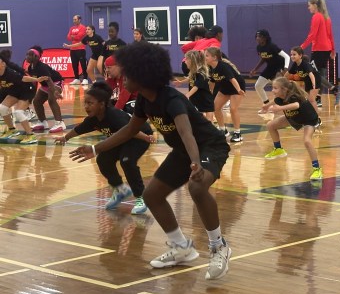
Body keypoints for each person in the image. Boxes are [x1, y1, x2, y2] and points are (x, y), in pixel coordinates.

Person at [68, 40, 232, 280]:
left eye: (129, 73)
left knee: (196, 187)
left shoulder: (172, 99)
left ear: (144, 75)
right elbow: (127, 131)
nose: (123, 77)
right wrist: (95, 148)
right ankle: (181, 247)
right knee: (151, 195)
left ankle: (219, 246)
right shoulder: (145, 101)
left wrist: (195, 162)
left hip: (209, 146)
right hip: (184, 151)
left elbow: (187, 133)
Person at [55, 82, 153, 215]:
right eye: (85, 103)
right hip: (122, 139)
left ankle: (141, 197)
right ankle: (120, 190)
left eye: (90, 103)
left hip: (139, 137)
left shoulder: (114, 115)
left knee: (127, 161)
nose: (86, 106)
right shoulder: (93, 119)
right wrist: (65, 138)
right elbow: (78, 130)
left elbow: (131, 130)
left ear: (102, 104)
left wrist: (147, 138)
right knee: (103, 160)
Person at [261, 77, 323, 181]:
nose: (272, 90)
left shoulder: (294, 96)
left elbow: (296, 105)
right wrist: (266, 106)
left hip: (309, 120)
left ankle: (317, 169)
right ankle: (279, 149)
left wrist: (280, 108)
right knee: (270, 125)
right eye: (272, 88)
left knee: (307, 141)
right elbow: (274, 101)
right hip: (294, 117)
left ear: (284, 89)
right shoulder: (280, 98)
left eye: (275, 88)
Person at [301, 0, 339, 106]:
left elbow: (312, 34)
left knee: (314, 73)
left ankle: (333, 88)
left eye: (309, 5)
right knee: (320, 73)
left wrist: (302, 47)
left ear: (315, 5)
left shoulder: (317, 17)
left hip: (319, 50)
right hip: (326, 49)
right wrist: (332, 49)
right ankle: (318, 99)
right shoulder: (326, 17)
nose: (308, 8)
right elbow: (330, 35)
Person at [204, 47, 245, 143]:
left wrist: (239, 90)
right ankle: (223, 130)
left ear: (214, 57)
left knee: (233, 108)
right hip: (224, 87)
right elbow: (212, 82)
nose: (204, 57)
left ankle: (237, 133)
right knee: (215, 107)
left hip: (236, 86)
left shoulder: (223, 66)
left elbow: (233, 79)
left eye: (207, 56)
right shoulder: (210, 68)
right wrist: (208, 92)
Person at [25, 45, 67, 134]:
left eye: (30, 55)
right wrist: (30, 96)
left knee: (51, 100)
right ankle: (43, 122)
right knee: (36, 101)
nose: (27, 57)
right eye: (27, 54)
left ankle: (60, 123)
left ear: (36, 57)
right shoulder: (30, 68)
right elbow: (35, 82)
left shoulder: (42, 67)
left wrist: (55, 91)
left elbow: (49, 80)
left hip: (55, 82)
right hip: (45, 85)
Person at [0, 51, 37, 144]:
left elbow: (24, 78)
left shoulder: (11, 73)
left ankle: (31, 135)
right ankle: (12, 129)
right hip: (14, 90)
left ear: (3, 64)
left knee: (18, 112)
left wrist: (36, 79)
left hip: (27, 89)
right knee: (2, 108)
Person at [249, 29, 289, 106]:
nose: (257, 38)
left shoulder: (272, 46)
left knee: (278, 87)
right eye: (256, 36)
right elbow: (264, 58)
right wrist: (255, 69)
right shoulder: (259, 48)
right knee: (258, 86)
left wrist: (285, 69)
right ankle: (267, 105)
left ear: (265, 38)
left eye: (260, 36)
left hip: (279, 67)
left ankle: (287, 102)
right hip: (270, 67)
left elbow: (286, 56)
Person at [183, 50, 215, 122]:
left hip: (205, 100)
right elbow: (190, 78)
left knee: (208, 122)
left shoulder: (201, 73)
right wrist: (181, 82)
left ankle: (214, 131)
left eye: (186, 59)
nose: (185, 62)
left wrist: (187, 95)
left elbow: (196, 86)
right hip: (195, 99)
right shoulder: (193, 72)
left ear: (192, 61)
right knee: (196, 119)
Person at [65, 14, 88, 86]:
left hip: (80, 49)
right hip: (73, 49)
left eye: (75, 19)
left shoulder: (83, 27)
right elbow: (68, 37)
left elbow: (79, 37)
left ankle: (85, 79)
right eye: (73, 19)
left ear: (79, 20)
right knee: (74, 64)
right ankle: (76, 78)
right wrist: (74, 37)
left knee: (83, 64)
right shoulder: (72, 28)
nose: (74, 21)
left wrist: (73, 36)